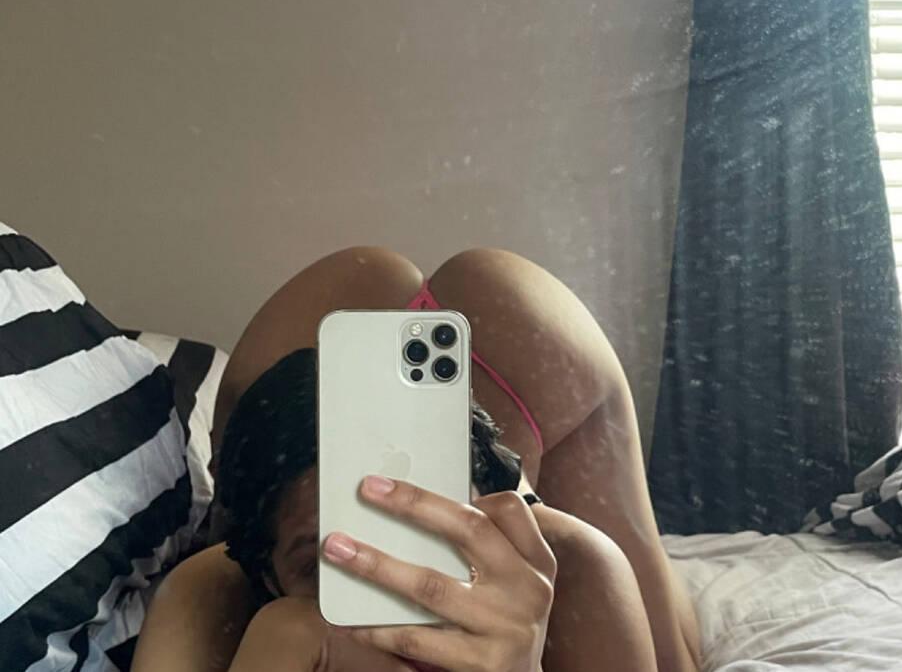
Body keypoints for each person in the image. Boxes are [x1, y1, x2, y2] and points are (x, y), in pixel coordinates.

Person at [131, 248, 699, 672]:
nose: (402, 588)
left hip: (528, 349)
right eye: (329, 564)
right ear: (270, 580)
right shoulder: (212, 595)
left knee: (677, 658)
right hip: (289, 405)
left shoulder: (576, 562)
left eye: (430, 539)